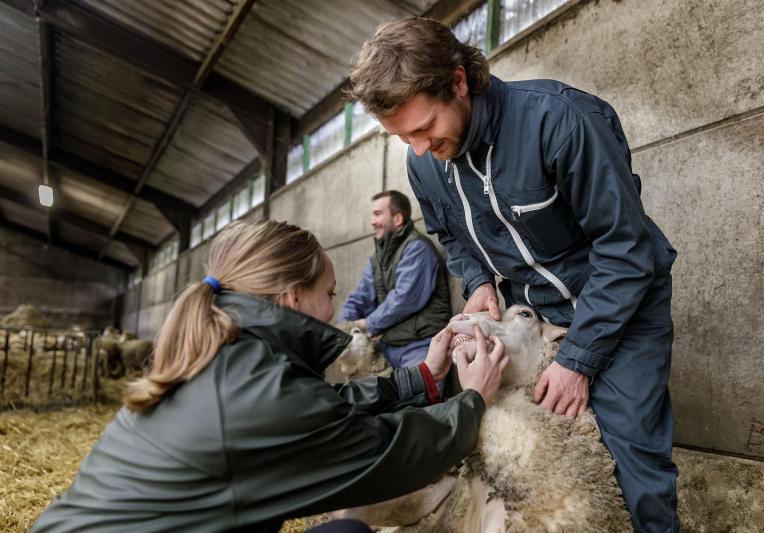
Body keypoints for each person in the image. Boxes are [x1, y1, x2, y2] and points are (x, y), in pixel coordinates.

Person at [348, 17, 680, 532]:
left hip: (619, 303)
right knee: (511, 457)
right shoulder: (425, 163)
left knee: (632, 454)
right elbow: (451, 235)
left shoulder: (561, 119)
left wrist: (578, 359)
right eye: (402, 136)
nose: (416, 147)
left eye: (424, 127)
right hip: (531, 313)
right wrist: (479, 283)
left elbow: (626, 249)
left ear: (459, 81)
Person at [31, 220, 508, 533]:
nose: (335, 308)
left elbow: (330, 411)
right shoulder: (257, 389)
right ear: (290, 298)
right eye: (328, 292)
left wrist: (422, 376)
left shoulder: (229, 354)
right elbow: (392, 453)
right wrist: (473, 401)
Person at [339, 190, 451, 372]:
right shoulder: (377, 258)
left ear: (397, 219)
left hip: (420, 348)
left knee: (417, 400)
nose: (372, 222)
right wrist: (342, 327)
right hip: (389, 347)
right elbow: (360, 296)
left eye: (377, 214)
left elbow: (404, 300)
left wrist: (364, 324)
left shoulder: (418, 248)